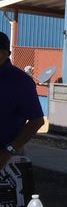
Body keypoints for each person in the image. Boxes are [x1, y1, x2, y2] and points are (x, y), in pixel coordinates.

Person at [0, 31, 45, 168]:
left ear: (2, 53)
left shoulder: (20, 82)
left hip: (6, 159)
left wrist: (9, 151)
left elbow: (36, 121)